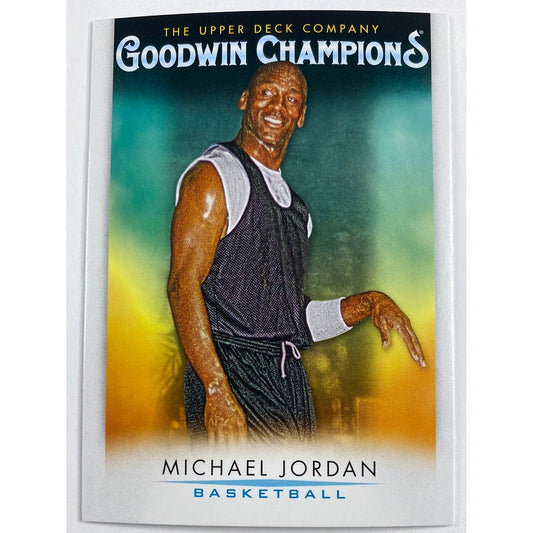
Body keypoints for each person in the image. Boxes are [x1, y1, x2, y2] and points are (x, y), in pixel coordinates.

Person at [167, 61, 425, 444]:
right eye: (267, 93)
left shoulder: (298, 213)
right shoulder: (214, 176)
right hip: (231, 373)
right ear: (245, 99)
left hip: (287, 383)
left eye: (291, 99)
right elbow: (182, 284)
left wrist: (370, 302)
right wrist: (215, 386)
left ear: (301, 115)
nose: (277, 106)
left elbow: (293, 322)